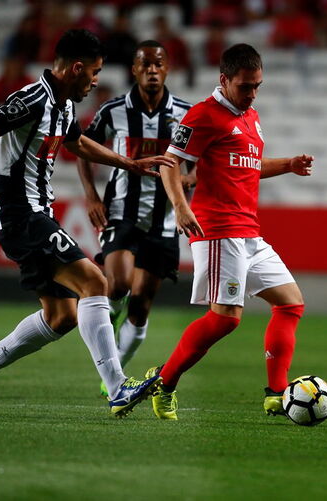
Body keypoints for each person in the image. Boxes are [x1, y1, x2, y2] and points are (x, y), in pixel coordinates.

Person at [0, 29, 175, 419]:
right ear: (77, 68)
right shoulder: (33, 99)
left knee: (61, 316)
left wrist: (129, 164)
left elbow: (77, 143)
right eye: (94, 73)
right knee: (96, 282)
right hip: (20, 213)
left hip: (36, 214)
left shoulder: (62, 106)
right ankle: (117, 387)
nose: (96, 81)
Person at [135, 43, 315, 421]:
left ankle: (276, 393)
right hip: (218, 231)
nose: (252, 94)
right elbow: (171, 162)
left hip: (249, 232)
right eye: (245, 86)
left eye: (257, 86)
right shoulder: (203, 116)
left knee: (290, 303)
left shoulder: (250, 117)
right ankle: (163, 383)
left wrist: (289, 164)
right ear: (224, 80)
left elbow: (248, 165)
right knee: (226, 319)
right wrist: (181, 207)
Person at [77, 41, 194, 395]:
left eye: (158, 64)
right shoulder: (114, 111)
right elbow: (82, 147)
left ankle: (112, 376)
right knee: (119, 285)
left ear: (168, 68)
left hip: (164, 221)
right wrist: (91, 195)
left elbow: (199, 159)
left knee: (141, 305)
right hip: (121, 212)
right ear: (135, 69)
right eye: (146, 64)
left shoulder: (186, 114)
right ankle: (109, 326)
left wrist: (192, 179)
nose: (153, 70)